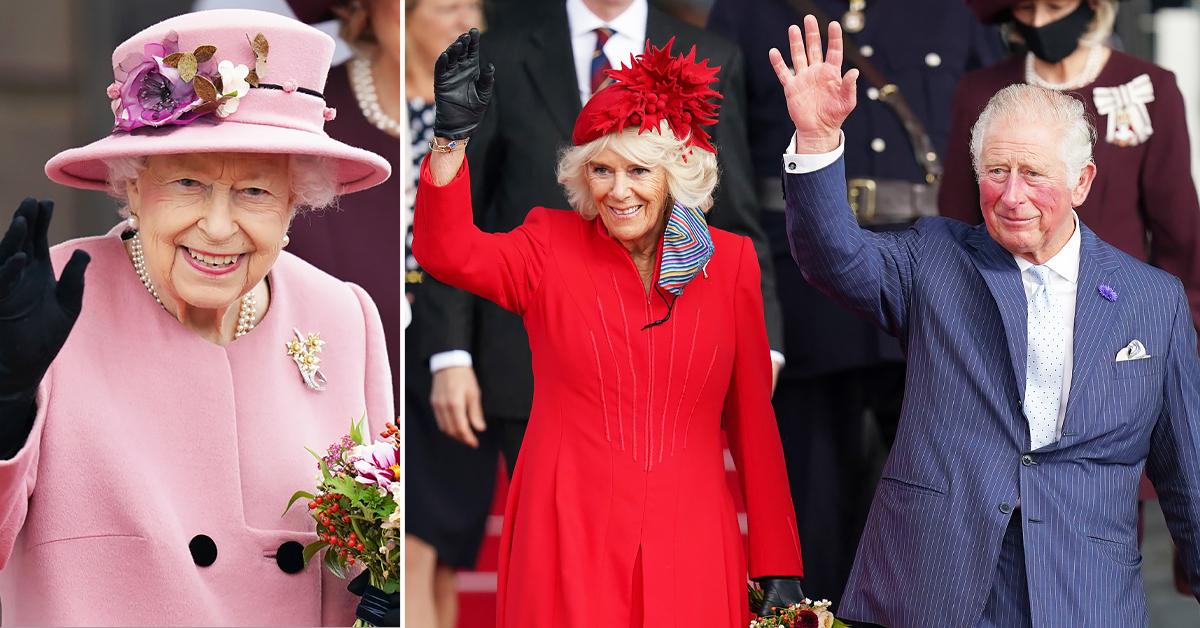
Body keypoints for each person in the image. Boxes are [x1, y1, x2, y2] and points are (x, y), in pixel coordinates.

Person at [772, 15, 1200, 627]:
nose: (1012, 195)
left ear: (1082, 182)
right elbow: (834, 256)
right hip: (936, 584)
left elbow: (1191, 484)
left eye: (1034, 174)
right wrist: (816, 141)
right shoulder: (933, 259)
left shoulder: (1151, 301)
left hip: (1084, 595)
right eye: (997, 172)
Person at [0, 9, 394, 626]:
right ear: (131, 185)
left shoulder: (342, 318)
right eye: (186, 182)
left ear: (297, 200)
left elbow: (374, 552)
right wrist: (5, 403)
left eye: (255, 192)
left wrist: (389, 604)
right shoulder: (42, 306)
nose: (217, 227)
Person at [414, 29, 805, 626]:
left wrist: (778, 561)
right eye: (600, 170)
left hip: (692, 533)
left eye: (639, 172)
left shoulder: (731, 265)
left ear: (678, 172)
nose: (618, 192)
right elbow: (447, 251)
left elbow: (753, 421)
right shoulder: (548, 244)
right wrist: (450, 141)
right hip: (565, 527)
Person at [707, 0, 1004, 603]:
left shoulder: (954, 12)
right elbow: (726, 163)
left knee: (934, 513)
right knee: (812, 513)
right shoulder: (747, 11)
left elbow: (992, 139)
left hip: (932, 289)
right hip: (804, 292)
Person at [423, 0, 784, 480]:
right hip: (529, 358)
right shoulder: (502, 50)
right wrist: (450, 351)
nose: (618, 189)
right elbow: (467, 218)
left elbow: (734, 214)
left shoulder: (712, 56)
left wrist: (765, 345)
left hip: (671, 366)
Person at [940, 0, 1200, 330]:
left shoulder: (1148, 87)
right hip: (1007, 315)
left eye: (1055, 7)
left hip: (1120, 316)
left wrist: (1183, 333)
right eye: (1025, 9)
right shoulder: (980, 91)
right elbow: (958, 220)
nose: (1039, 21)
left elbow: (1178, 230)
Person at [389, 1, 495, 627]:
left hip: (459, 331)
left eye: (471, 1)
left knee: (445, 547)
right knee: (415, 544)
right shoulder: (366, 109)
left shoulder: (488, 99)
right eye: (445, 3)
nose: (465, 13)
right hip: (384, 322)